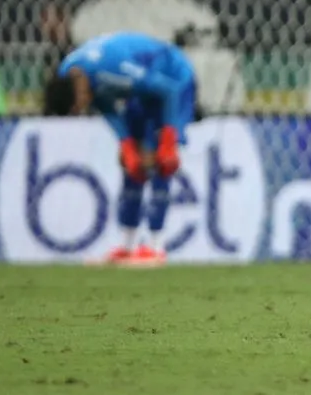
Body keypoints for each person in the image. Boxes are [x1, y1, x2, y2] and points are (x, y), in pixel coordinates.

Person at [44, 32, 198, 267]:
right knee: (133, 166)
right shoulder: (70, 73)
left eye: (80, 105)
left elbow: (168, 91)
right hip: (139, 93)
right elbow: (105, 105)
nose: (84, 108)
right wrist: (126, 144)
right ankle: (127, 246)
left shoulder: (113, 69)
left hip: (172, 78)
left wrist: (168, 139)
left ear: (78, 89)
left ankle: (156, 247)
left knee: (160, 162)